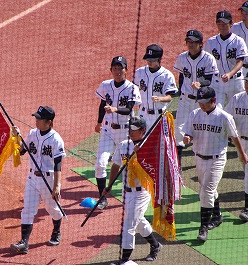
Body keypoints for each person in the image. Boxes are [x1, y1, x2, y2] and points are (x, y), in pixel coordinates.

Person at [183, 86, 248, 242]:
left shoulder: (224, 117)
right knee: (207, 188)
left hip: (216, 159)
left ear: (214, 100)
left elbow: (234, 137)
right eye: (200, 102)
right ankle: (217, 215)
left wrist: (242, 154)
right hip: (198, 158)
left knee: (205, 191)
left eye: (205, 102)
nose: (201, 105)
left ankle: (203, 228)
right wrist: (187, 138)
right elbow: (189, 132)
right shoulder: (194, 114)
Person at [103, 116, 162, 264]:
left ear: (143, 131)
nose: (130, 132)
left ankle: (124, 260)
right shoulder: (123, 145)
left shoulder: (149, 146)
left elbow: (154, 169)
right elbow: (116, 166)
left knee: (129, 225)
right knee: (138, 220)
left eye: (134, 130)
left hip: (142, 192)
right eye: (129, 129)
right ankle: (155, 245)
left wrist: (139, 153)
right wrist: (109, 185)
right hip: (127, 191)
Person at [10, 106, 66, 254]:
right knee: (27, 210)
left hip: (48, 180)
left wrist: (57, 186)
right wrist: (17, 136)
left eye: (39, 119)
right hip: (32, 179)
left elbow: (58, 164)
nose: (36, 121)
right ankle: (24, 243)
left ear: (49, 122)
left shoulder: (56, 139)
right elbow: (22, 151)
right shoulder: (32, 133)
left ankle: (56, 231)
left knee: (52, 209)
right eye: (36, 118)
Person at [94, 56, 142, 210]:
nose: (117, 71)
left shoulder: (132, 88)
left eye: (120, 68)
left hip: (126, 132)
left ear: (125, 70)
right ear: (111, 70)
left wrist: (114, 109)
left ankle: (134, 195)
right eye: (114, 68)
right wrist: (98, 122)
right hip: (108, 130)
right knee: (100, 164)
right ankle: (102, 198)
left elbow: (129, 109)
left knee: (129, 166)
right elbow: (102, 104)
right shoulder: (105, 85)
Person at [174, 29, 219, 166]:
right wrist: (181, 92)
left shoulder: (208, 58)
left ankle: (205, 158)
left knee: (202, 129)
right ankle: (178, 165)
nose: (191, 44)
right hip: (185, 99)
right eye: (188, 42)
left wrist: (201, 84)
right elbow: (181, 76)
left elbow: (209, 79)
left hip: (201, 102)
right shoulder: (182, 57)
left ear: (200, 44)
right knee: (179, 129)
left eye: (194, 42)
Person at [204, 10, 248, 108]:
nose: (221, 27)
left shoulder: (238, 41)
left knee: (236, 111)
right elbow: (205, 61)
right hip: (217, 82)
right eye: (219, 24)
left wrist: (229, 74)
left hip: (235, 82)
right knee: (216, 111)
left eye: (224, 24)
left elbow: (240, 61)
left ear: (231, 24)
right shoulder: (211, 42)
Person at [134, 44, 178, 130]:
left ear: (159, 59)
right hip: (143, 114)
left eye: (152, 60)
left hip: (159, 115)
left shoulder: (167, 75)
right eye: (148, 59)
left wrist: (160, 99)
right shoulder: (139, 72)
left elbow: (169, 97)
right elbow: (134, 91)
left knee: (160, 142)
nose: (149, 62)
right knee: (142, 141)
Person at [224, 77, 248, 222]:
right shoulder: (237, 98)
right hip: (241, 142)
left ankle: (247, 207)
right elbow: (226, 117)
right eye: (246, 82)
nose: (247, 85)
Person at [231, 2, 248, 79]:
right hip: (240, 69)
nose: (243, 16)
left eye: (246, 14)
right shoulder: (235, 28)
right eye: (242, 13)